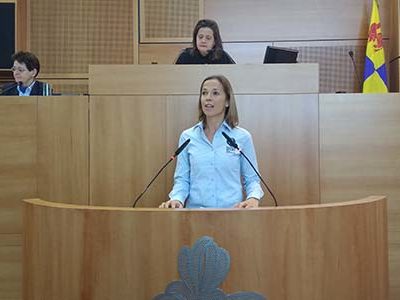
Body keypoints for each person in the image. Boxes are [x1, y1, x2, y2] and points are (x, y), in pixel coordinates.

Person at [160, 75, 263, 209]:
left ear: (227, 101)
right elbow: (182, 179)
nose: (208, 97)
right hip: (195, 215)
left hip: (232, 213)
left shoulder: (242, 137)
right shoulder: (187, 137)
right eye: (204, 93)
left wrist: (253, 198)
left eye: (215, 93)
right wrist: (177, 200)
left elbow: (252, 179)